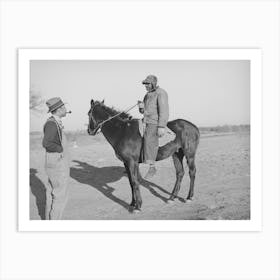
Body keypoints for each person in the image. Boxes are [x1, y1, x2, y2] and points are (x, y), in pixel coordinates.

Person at [42, 97, 70, 220]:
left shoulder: (54, 122)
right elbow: (46, 143)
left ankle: (49, 222)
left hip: (54, 160)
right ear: (58, 110)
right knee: (60, 195)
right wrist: (59, 150)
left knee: (52, 192)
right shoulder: (52, 124)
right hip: (57, 161)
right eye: (63, 108)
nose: (66, 110)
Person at [138, 75, 169, 179]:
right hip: (145, 121)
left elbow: (164, 110)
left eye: (147, 84)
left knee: (148, 138)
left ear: (153, 84)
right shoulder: (147, 95)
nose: (145, 86)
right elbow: (143, 111)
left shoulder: (161, 93)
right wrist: (141, 108)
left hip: (154, 122)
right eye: (145, 84)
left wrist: (161, 126)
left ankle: (152, 167)